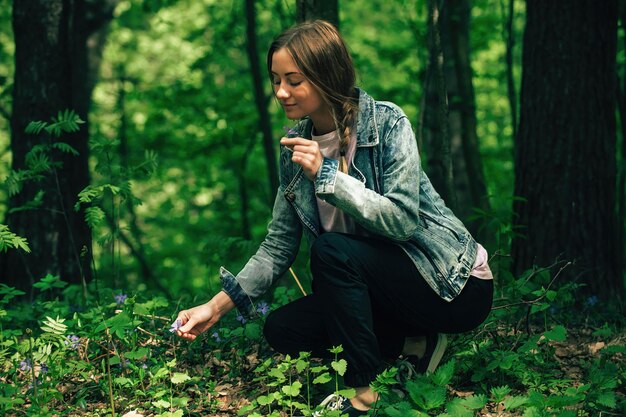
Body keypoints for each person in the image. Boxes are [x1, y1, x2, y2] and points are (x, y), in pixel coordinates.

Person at [174, 20, 493, 416]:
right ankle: (416, 343)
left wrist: (328, 176)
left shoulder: (388, 123)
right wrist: (215, 307)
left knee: (332, 251)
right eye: (276, 80)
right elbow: (277, 247)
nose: (281, 92)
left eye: (294, 80)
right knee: (283, 328)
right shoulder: (295, 147)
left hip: (452, 287)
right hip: (387, 291)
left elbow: (403, 221)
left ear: (327, 76)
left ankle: (364, 393)